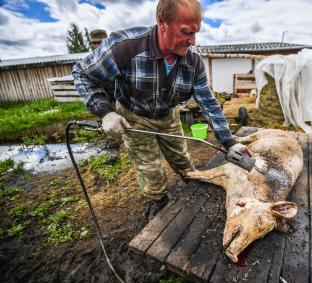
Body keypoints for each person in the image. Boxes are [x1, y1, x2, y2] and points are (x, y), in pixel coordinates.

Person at [73, 0, 250, 219]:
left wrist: (229, 142)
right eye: (186, 32)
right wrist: (105, 111)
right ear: (162, 22)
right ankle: (160, 202)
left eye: (196, 33)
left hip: (169, 115)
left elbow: (208, 102)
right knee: (151, 171)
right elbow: (82, 74)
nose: (192, 42)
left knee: (183, 161)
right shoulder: (124, 47)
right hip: (133, 117)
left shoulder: (193, 63)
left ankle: (193, 187)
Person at [89, 29, 122, 164]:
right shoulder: (92, 59)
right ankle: (114, 154)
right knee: (110, 125)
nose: (97, 46)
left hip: (122, 95)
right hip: (107, 98)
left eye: (100, 42)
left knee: (133, 122)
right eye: (94, 43)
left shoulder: (117, 54)